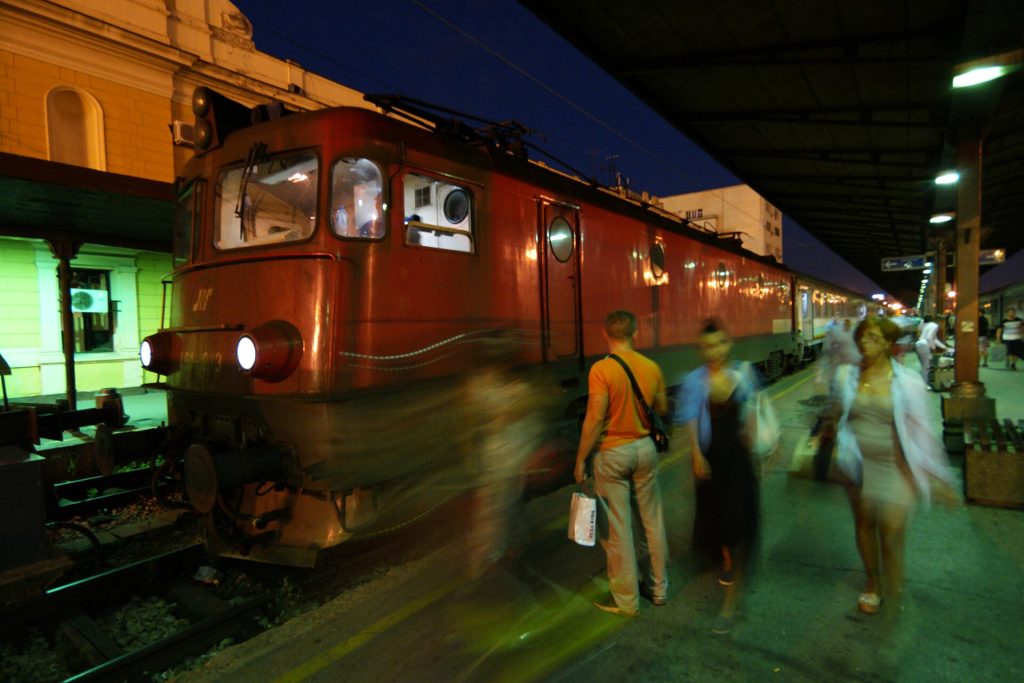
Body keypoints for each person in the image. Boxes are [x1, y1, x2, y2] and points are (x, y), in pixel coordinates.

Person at [831, 317, 957, 615]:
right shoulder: (846, 376)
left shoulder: (908, 381)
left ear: (889, 344)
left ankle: (894, 578)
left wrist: (940, 476)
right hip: (858, 463)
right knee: (864, 525)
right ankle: (873, 583)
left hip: (895, 466)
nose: (865, 343)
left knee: (890, 531)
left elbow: (922, 431)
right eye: (862, 338)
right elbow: (841, 415)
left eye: (873, 338)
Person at [574, 310, 669, 617]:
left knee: (618, 528)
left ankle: (626, 600)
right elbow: (662, 409)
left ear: (606, 334)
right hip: (645, 449)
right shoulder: (652, 367)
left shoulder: (601, 370)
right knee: (652, 522)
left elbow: (594, 418)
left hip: (613, 453)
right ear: (635, 333)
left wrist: (580, 458)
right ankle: (659, 589)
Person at [677, 319, 763, 634]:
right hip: (711, 464)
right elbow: (689, 418)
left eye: (719, 344)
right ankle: (726, 562)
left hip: (739, 465)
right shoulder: (694, 381)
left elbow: (754, 416)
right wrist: (696, 457)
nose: (713, 351)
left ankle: (730, 603)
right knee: (718, 526)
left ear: (729, 343)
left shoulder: (745, 374)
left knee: (737, 527)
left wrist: (761, 451)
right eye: (707, 346)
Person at [914, 316, 948, 387]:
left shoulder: (928, 325)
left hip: (919, 345)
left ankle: (923, 382)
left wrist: (944, 347)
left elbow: (934, 339)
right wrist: (933, 347)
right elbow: (929, 338)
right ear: (940, 321)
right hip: (924, 345)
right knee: (926, 367)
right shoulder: (935, 326)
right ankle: (924, 384)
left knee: (924, 366)